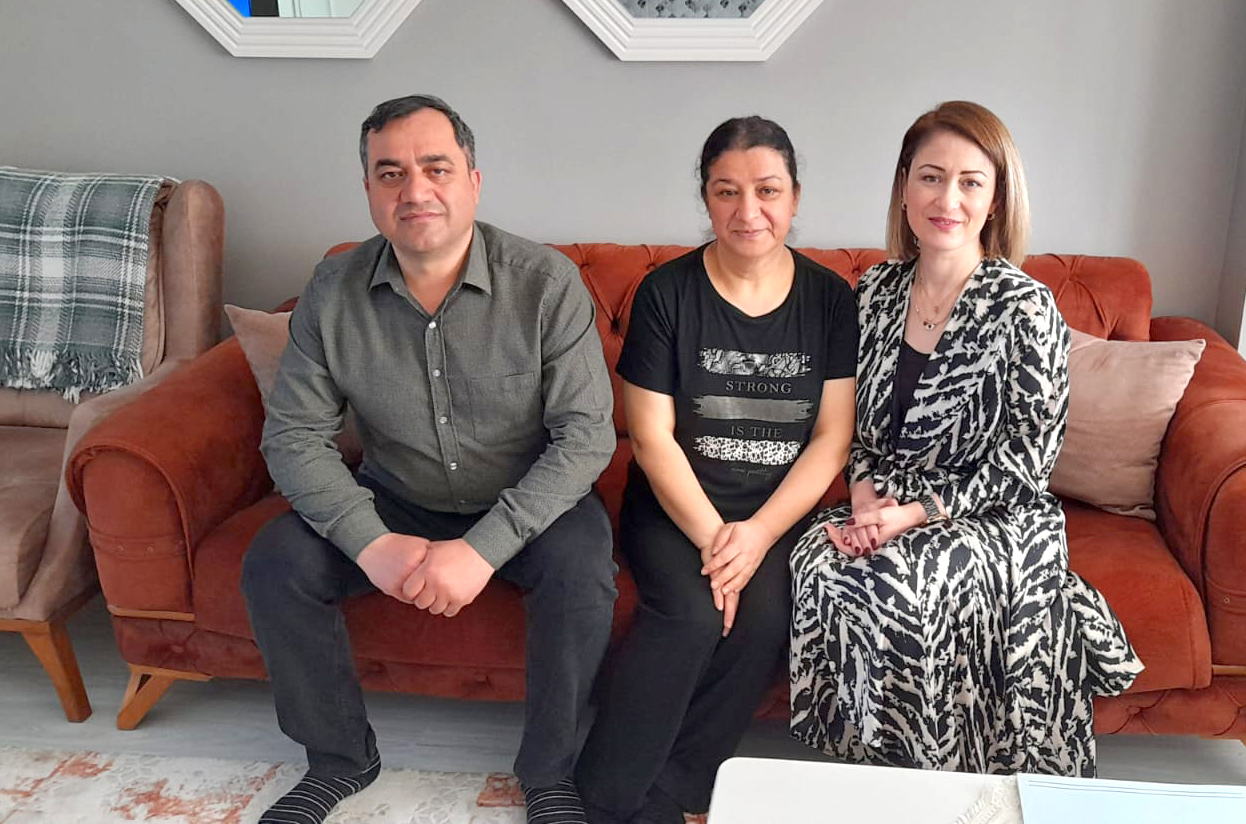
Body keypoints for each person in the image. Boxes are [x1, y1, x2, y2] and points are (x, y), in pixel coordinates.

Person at [240, 95, 617, 824]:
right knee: (274, 562)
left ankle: (549, 775)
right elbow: (293, 436)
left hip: (526, 499)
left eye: (435, 168)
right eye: (391, 173)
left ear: (473, 181)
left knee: (582, 572)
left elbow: (585, 438)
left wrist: (482, 550)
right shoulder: (333, 289)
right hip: (394, 497)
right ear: (369, 190)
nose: (414, 190)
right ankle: (341, 761)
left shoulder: (546, 283)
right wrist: (370, 542)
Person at [789, 100, 1143, 777]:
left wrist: (915, 515)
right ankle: (865, 770)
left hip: (993, 513)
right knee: (820, 562)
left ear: (995, 200)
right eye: (930, 177)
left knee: (903, 583)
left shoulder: (1025, 306)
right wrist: (863, 498)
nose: (946, 199)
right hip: (885, 496)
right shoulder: (876, 292)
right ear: (904, 187)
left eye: (969, 182)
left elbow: (1030, 458)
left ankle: (943, 778)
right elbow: (853, 423)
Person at [575, 117, 858, 824]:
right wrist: (715, 541)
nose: (747, 210)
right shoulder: (666, 293)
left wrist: (757, 535)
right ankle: (602, 799)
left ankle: (675, 791)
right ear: (705, 198)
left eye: (767, 190)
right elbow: (651, 439)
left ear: (795, 197)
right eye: (726, 191)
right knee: (691, 614)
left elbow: (832, 439)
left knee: (762, 619)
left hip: (776, 512)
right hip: (676, 507)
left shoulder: (830, 300)